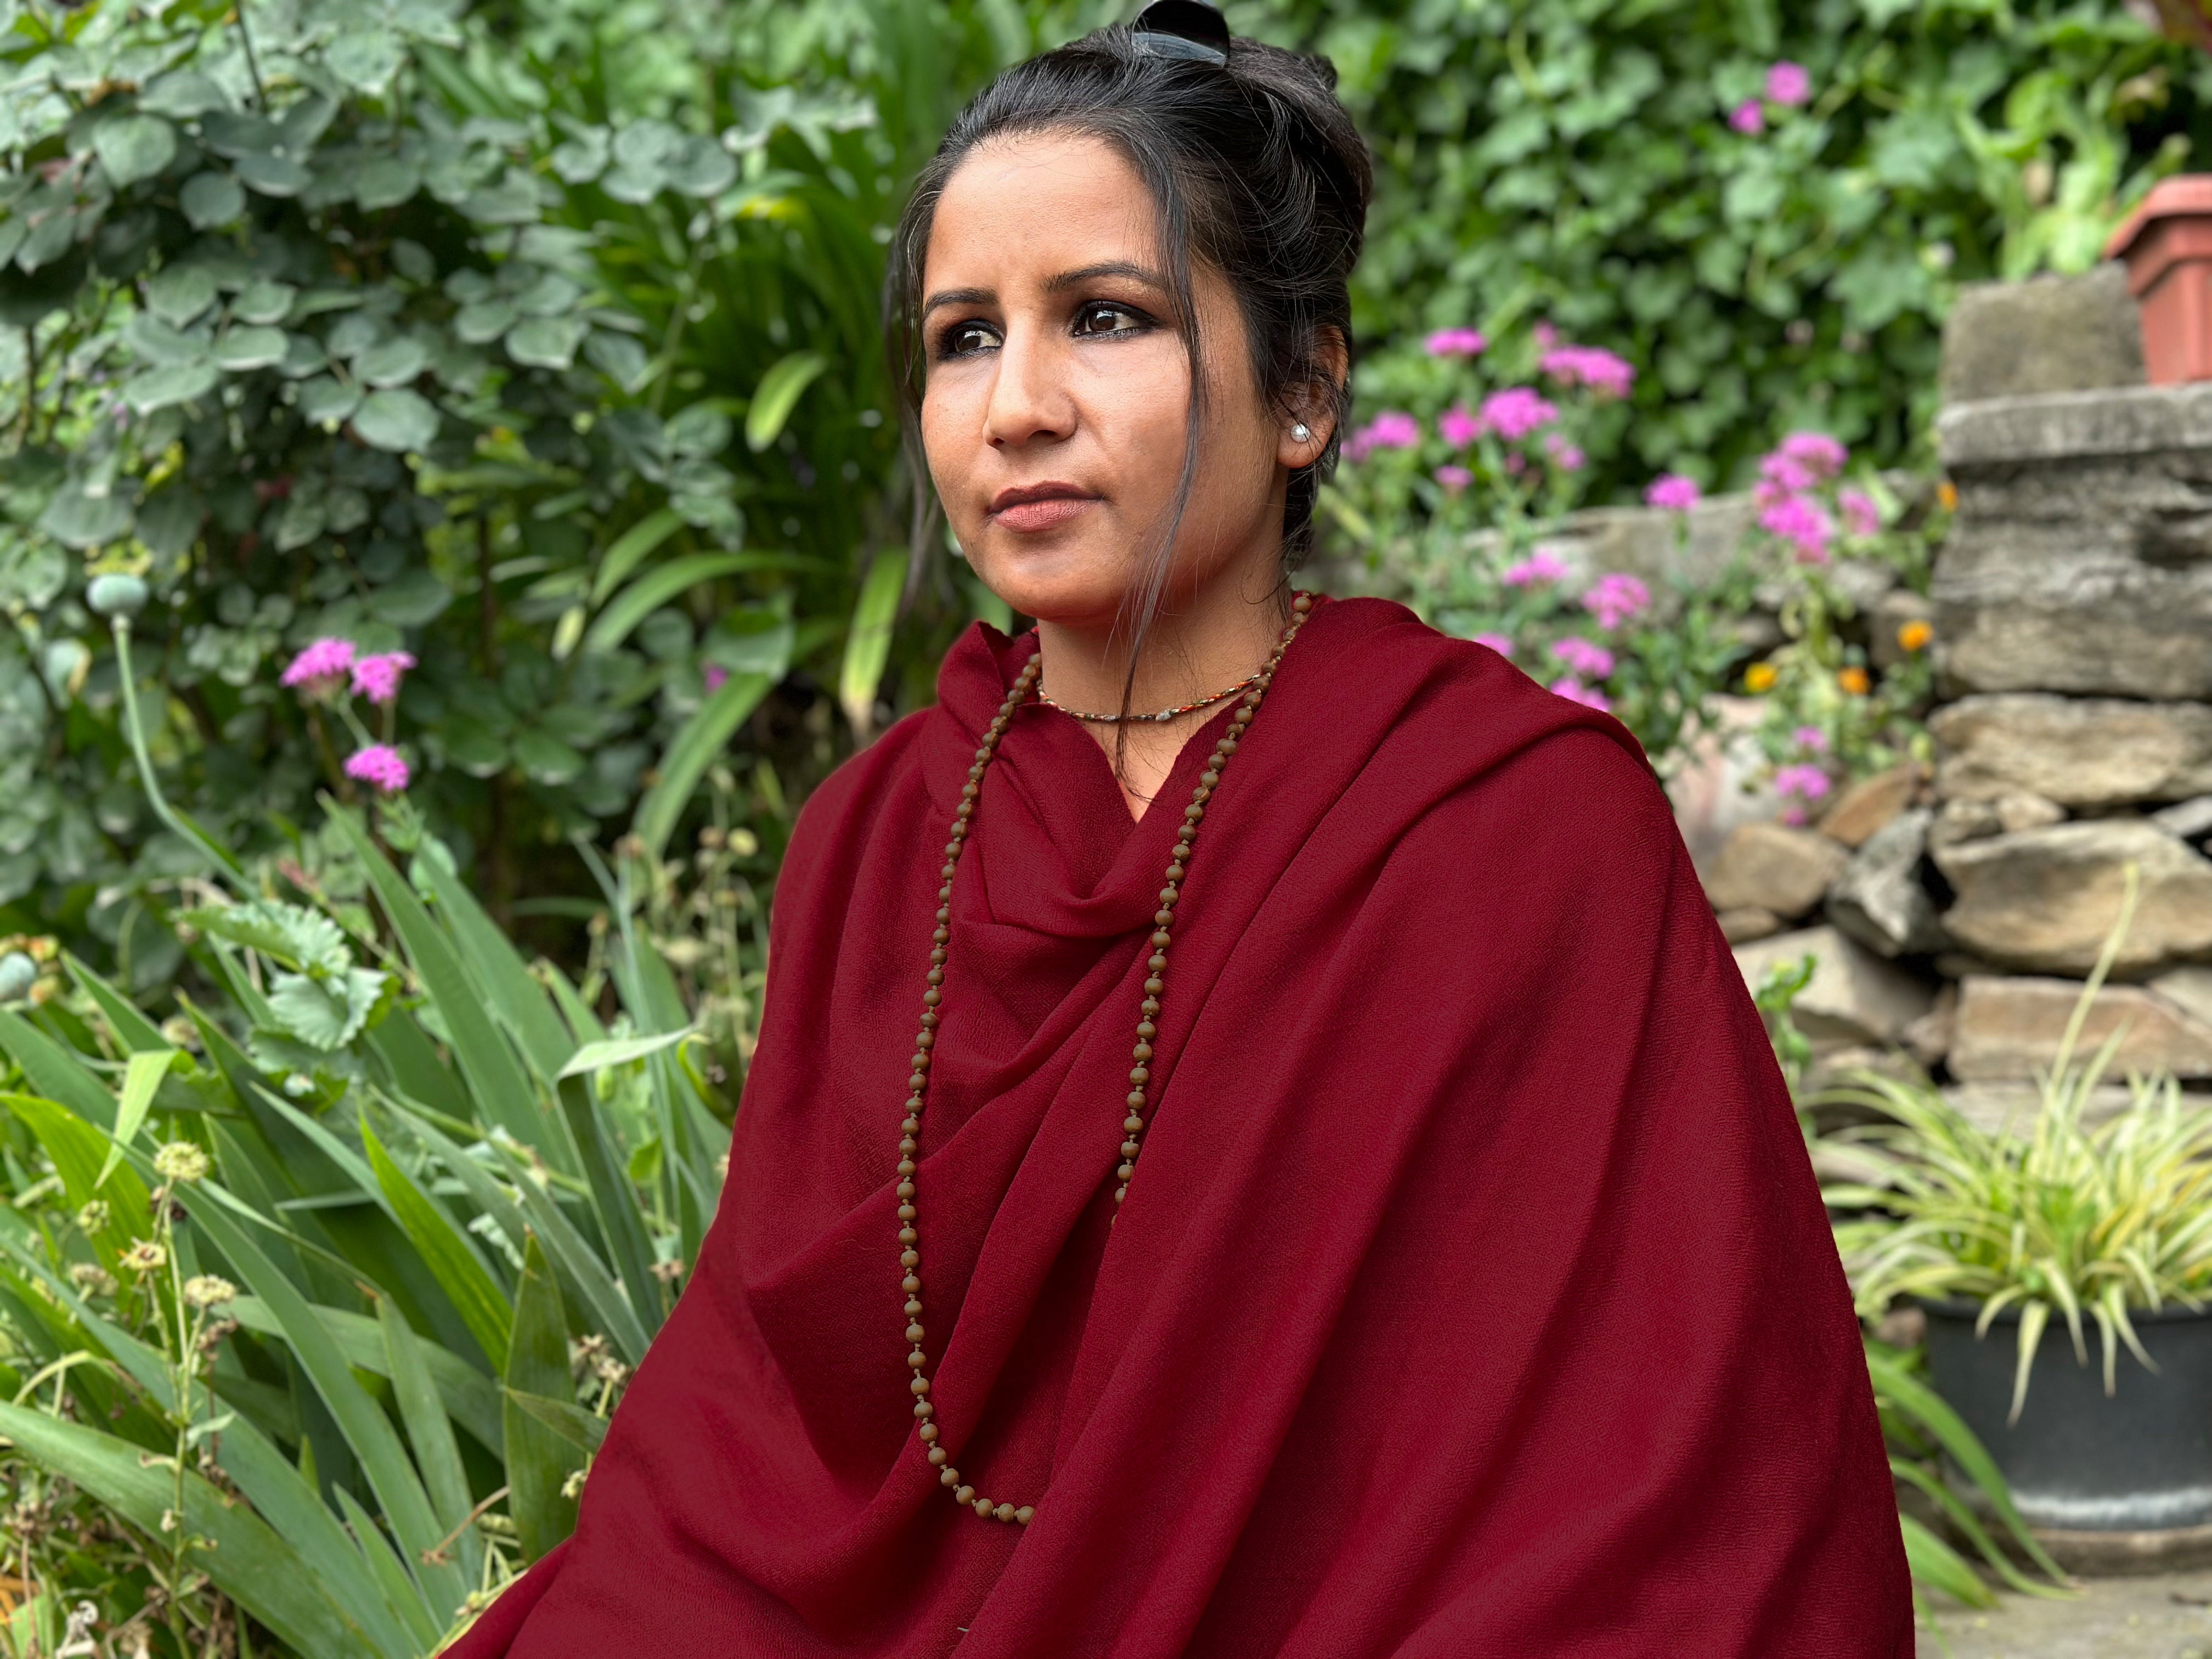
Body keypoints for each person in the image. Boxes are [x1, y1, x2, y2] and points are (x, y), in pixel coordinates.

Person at [444, 4, 1913, 1654]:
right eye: (962, 338)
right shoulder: (875, 846)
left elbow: (1670, 1473)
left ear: (1304, 392)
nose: (1018, 406)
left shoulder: (1510, 828)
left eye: (1106, 317)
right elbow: (755, 1443)